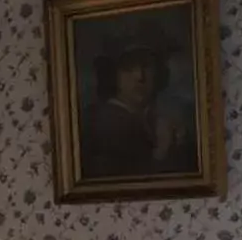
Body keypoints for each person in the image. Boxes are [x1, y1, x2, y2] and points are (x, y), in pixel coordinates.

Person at [77, 21, 198, 180]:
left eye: (147, 66)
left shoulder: (156, 118)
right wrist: (162, 150)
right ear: (113, 75)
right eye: (128, 68)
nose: (140, 76)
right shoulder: (101, 122)